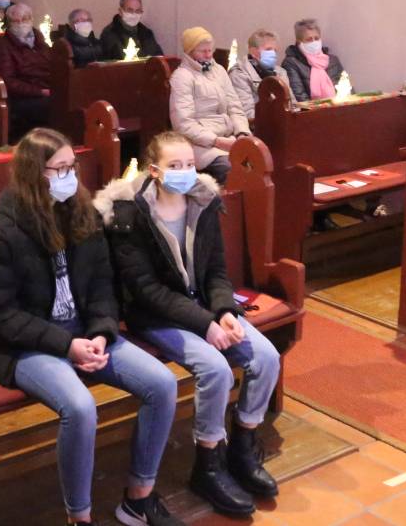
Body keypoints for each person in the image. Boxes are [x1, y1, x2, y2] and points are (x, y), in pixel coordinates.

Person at [0, 130, 183, 526]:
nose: (68, 176)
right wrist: (68, 345)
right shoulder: (4, 231)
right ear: (34, 175)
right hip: (24, 343)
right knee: (80, 408)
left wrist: (100, 331)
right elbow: (2, 315)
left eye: (71, 167)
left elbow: (102, 284)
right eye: (58, 169)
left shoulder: (83, 213)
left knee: (162, 385)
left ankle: (138, 500)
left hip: (83, 333)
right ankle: (79, 517)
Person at [95, 131, 281, 515]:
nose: (184, 172)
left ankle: (242, 449)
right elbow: (145, 290)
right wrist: (205, 323)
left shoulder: (203, 201)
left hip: (202, 307)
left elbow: (215, 269)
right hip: (156, 314)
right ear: (154, 171)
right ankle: (208, 463)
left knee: (266, 357)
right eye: (174, 166)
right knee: (215, 369)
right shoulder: (130, 214)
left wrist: (225, 310)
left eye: (190, 165)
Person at [168, 28, 250, 185]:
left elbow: (235, 107)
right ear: (190, 52)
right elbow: (183, 124)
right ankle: (228, 208)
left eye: (210, 50)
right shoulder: (182, 77)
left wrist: (242, 133)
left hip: (229, 138)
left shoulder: (219, 70)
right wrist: (216, 141)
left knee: (260, 161)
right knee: (232, 169)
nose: (208, 55)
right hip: (201, 145)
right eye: (202, 51)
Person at [0, 0, 53, 139]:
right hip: (22, 97)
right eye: (16, 20)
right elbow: (8, 80)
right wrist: (39, 91)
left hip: (47, 89)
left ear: (31, 19)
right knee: (51, 107)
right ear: (9, 23)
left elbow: (52, 66)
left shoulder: (40, 41)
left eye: (25, 19)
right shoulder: (4, 45)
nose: (21, 23)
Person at [229, 29, 291, 122]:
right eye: (268, 49)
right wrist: (277, 118)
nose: (273, 54)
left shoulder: (280, 72)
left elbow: (292, 103)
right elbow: (247, 113)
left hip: (282, 122)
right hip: (257, 126)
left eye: (275, 50)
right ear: (253, 51)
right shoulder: (239, 74)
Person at [281, 19, 350, 102]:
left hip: (338, 108)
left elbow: (346, 87)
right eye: (309, 39)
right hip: (312, 112)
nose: (314, 42)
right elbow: (299, 96)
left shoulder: (332, 60)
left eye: (316, 38)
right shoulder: (291, 63)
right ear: (299, 42)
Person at [97, 0, 162, 61]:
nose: (134, 14)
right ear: (120, 11)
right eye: (130, 10)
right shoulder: (109, 34)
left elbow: (159, 57)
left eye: (138, 11)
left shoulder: (146, 33)